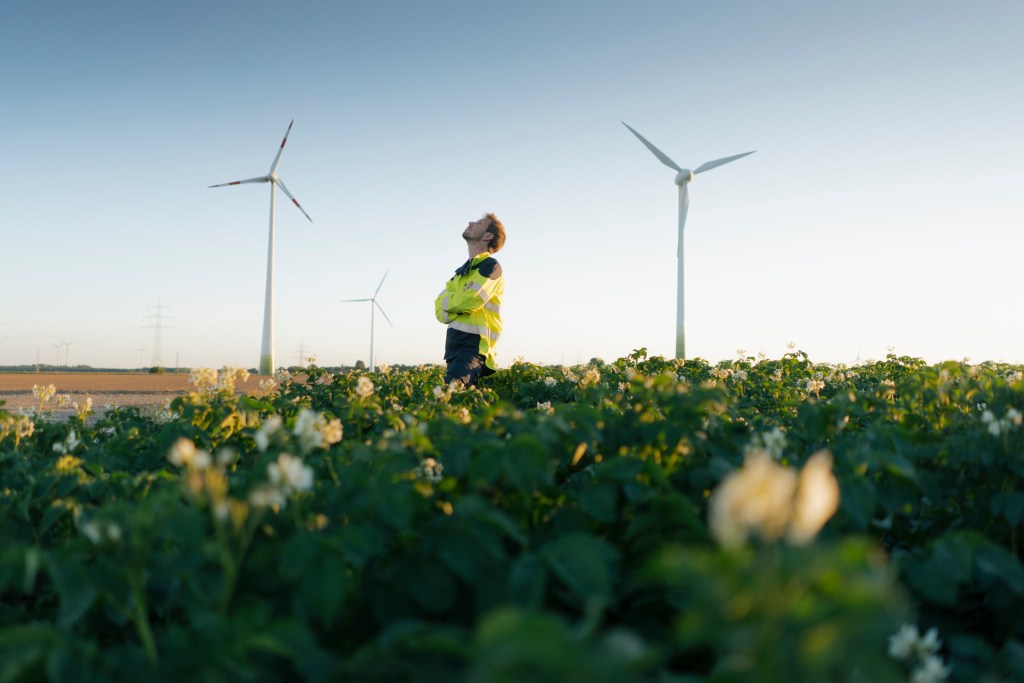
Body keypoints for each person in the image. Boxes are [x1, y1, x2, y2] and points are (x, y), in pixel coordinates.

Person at [434, 213, 506, 386]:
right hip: (453, 348)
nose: (470, 222)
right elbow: (439, 312)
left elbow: (471, 300)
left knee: (448, 392)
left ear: (488, 236)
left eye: (479, 223)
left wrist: (451, 303)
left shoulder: (490, 267)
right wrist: (459, 301)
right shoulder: (459, 274)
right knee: (459, 405)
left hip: (474, 348)